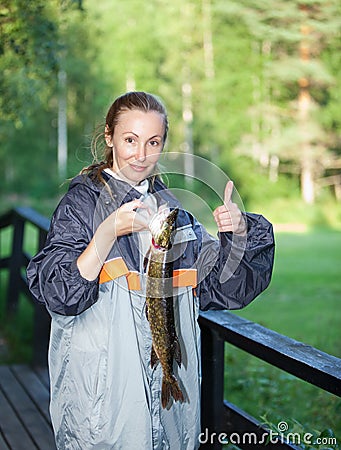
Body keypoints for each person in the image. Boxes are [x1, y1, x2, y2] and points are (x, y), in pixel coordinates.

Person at [27, 91, 275, 450]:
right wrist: (107, 231)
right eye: (130, 140)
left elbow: (227, 290)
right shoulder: (80, 205)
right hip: (105, 409)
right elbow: (58, 294)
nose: (141, 154)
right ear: (109, 137)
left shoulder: (174, 214)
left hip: (171, 415)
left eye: (153, 141)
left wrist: (240, 234)